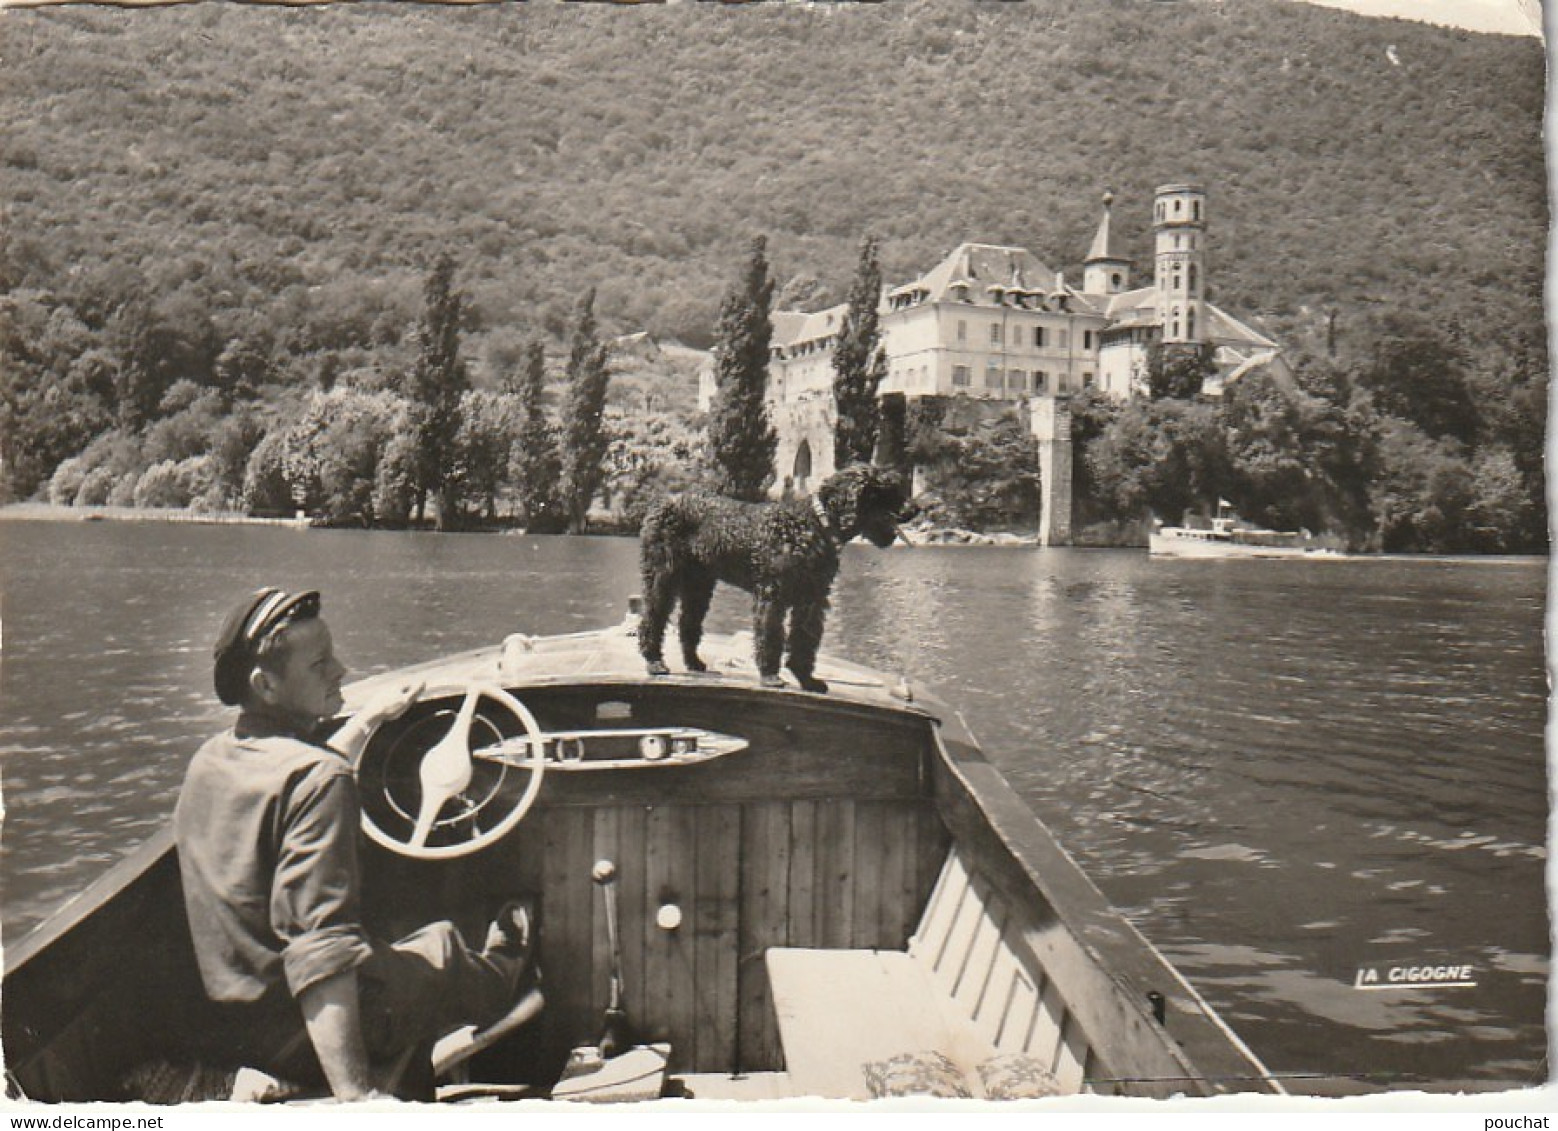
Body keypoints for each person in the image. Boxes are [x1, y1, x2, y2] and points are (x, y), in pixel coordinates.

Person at [174, 587, 534, 1101]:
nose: (341, 670)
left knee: (400, 946)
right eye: (320, 664)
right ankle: (510, 968)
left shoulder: (211, 760)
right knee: (443, 949)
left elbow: (296, 775)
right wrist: (358, 1098)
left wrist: (370, 720)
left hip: (234, 1022)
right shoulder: (322, 779)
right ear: (266, 684)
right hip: (301, 1033)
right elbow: (319, 951)